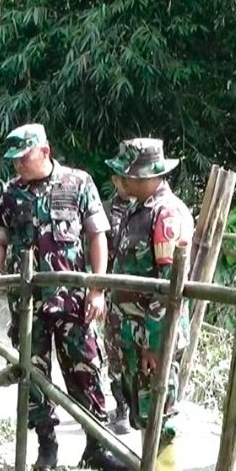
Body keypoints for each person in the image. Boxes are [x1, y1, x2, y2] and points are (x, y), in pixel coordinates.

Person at [0, 123, 126, 471]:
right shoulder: (10, 193)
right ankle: (47, 446)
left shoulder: (78, 183)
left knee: (86, 371)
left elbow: (97, 235)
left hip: (74, 302)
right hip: (29, 303)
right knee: (34, 375)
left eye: (23, 158)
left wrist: (97, 288)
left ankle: (97, 446)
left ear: (44, 151)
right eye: (13, 160)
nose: (17, 166)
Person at [106, 137, 195, 471]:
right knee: (142, 408)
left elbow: (170, 287)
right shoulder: (134, 209)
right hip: (130, 331)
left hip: (152, 334)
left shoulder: (166, 214)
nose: (120, 181)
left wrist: (156, 342)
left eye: (126, 175)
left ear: (147, 176)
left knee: (160, 407)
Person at [103, 174, 133, 435]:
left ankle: (139, 406)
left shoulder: (151, 210)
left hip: (143, 298)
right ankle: (121, 405)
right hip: (113, 295)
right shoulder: (105, 210)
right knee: (113, 350)